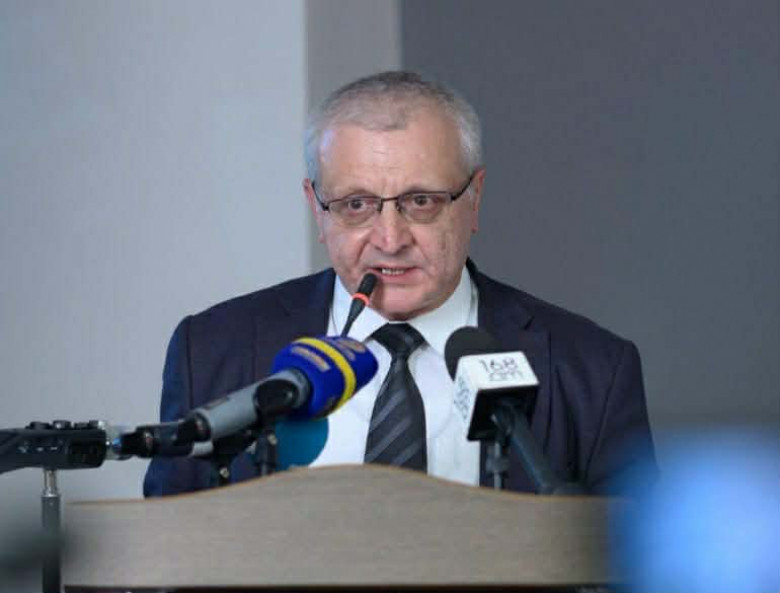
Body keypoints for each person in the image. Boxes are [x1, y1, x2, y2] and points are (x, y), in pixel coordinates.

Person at [144, 71, 656, 497]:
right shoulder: (212, 351)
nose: (390, 239)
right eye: (356, 205)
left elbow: (638, 563)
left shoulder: (592, 369)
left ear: (474, 199)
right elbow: (165, 560)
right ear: (317, 209)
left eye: (421, 202)